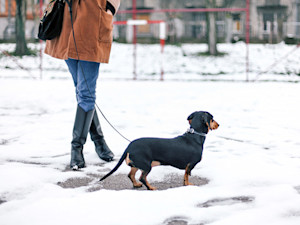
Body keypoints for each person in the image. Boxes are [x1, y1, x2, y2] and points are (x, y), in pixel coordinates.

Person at [45, 0, 121, 170]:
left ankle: (76, 149)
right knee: (82, 92)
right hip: (66, 24)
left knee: (86, 93)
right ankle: (99, 142)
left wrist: (109, 7)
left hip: (93, 22)